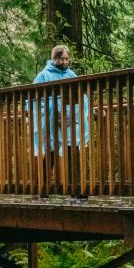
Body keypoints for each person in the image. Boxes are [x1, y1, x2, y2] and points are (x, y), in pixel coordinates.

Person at [32, 45, 90, 201]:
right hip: (51, 122)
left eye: (66, 59)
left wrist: (79, 112)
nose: (65, 62)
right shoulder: (43, 76)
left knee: (73, 152)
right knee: (51, 153)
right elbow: (32, 99)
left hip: (69, 121)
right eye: (61, 59)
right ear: (54, 58)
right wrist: (50, 111)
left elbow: (81, 96)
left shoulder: (71, 74)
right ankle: (43, 189)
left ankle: (76, 190)